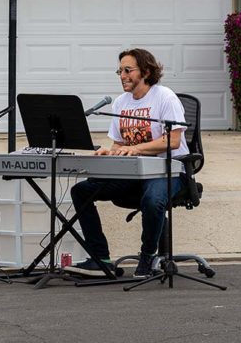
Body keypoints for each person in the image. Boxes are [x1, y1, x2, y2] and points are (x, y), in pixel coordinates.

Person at [66, 48, 188, 279]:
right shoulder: (121, 103)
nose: (123, 75)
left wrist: (135, 149)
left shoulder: (164, 97)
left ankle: (147, 256)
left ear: (146, 71)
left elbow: (173, 140)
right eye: (120, 70)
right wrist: (107, 152)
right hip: (134, 174)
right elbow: (119, 145)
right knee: (82, 191)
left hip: (167, 172)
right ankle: (99, 258)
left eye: (128, 70)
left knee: (153, 200)